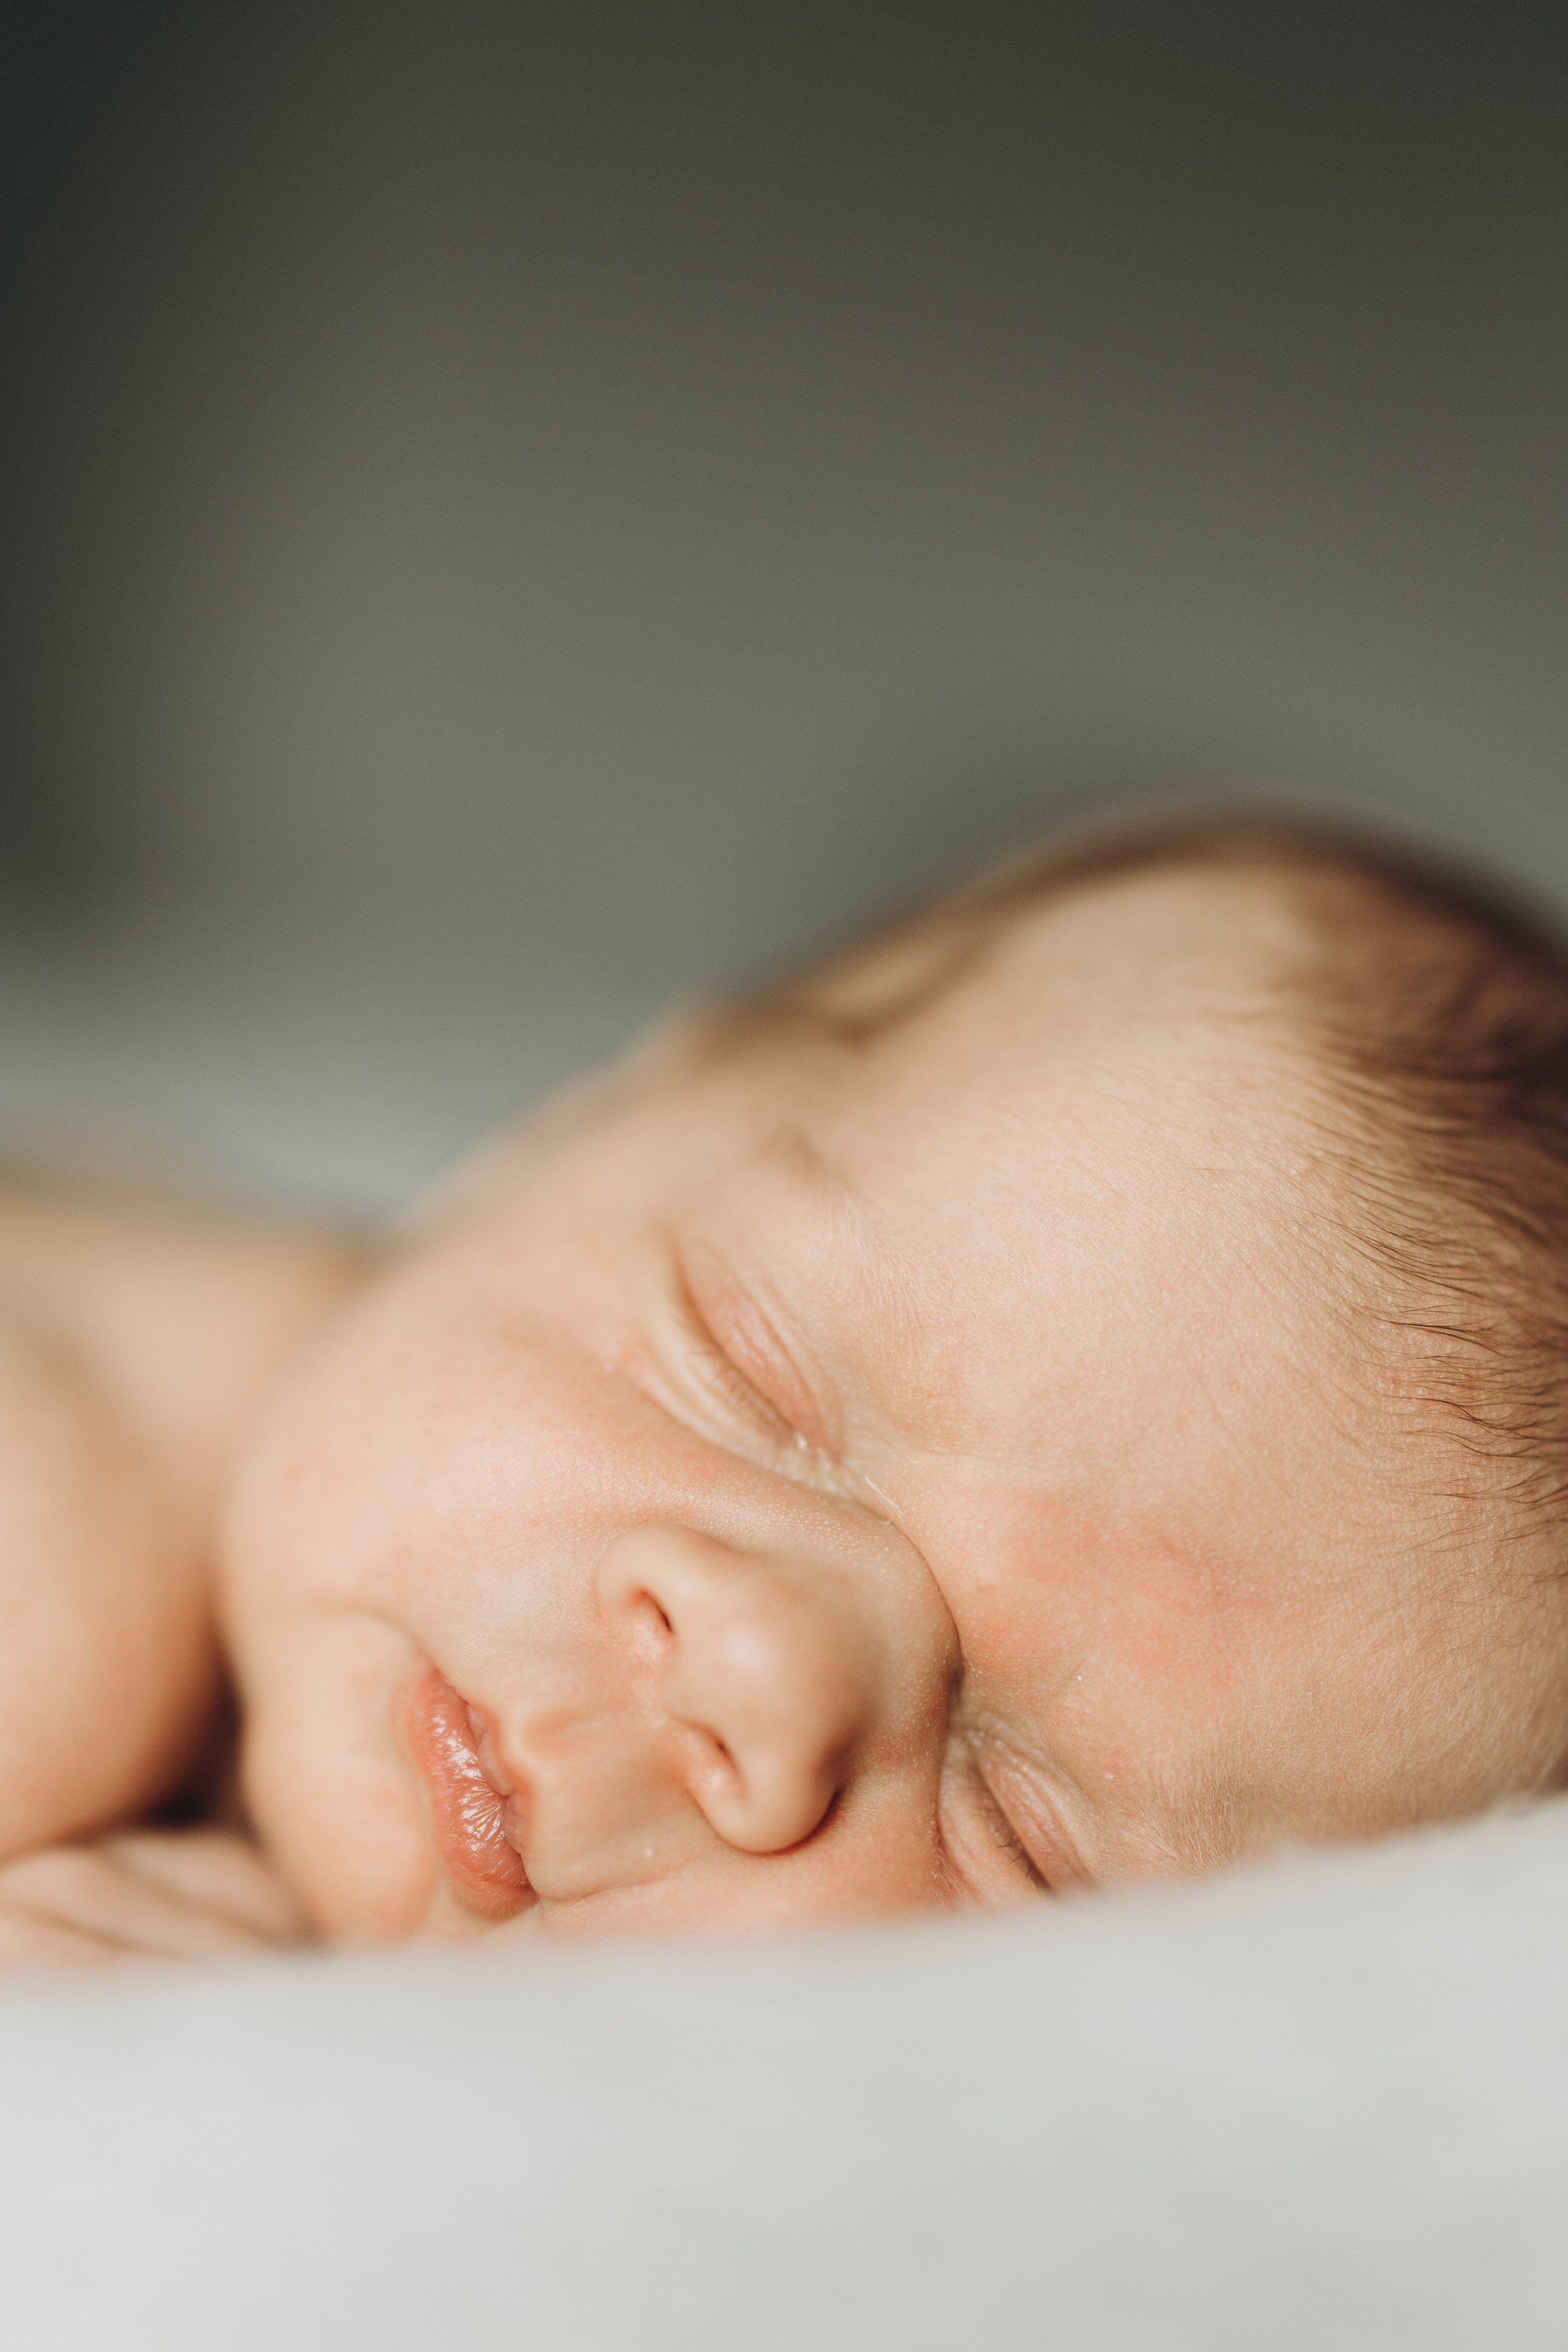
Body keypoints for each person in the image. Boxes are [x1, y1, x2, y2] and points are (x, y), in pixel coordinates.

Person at [4, 806, 1568, 1968]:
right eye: (742, 1371)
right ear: (554, 1135)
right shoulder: (68, 1517)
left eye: (1018, 1838)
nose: (748, 1672)